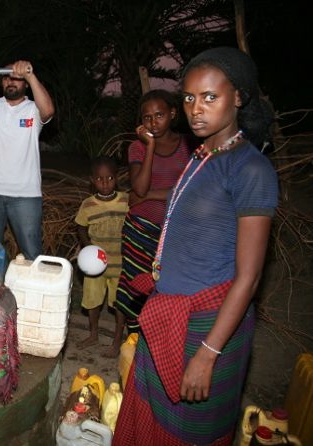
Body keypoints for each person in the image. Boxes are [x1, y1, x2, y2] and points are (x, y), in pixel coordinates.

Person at [113, 47, 279, 445]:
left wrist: (207, 354)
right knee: (150, 420)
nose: (196, 109)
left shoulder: (250, 169)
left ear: (237, 96)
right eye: (188, 98)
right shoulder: (201, 155)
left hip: (206, 324)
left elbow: (250, 276)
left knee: (189, 431)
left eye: (210, 97)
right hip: (169, 316)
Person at [114, 89, 193, 333]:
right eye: (147, 117)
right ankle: (134, 339)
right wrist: (149, 147)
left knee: (167, 285)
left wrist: (148, 195)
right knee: (134, 284)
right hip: (140, 227)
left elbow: (188, 190)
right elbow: (138, 185)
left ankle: (159, 336)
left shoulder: (189, 146)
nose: (153, 121)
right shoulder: (137, 148)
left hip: (175, 231)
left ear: (172, 114)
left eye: (159, 115)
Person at [0, 60, 55, 260]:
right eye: (6, 77)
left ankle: (33, 290)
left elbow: (49, 111)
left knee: (32, 253)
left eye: (17, 78)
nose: (11, 81)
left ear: (25, 84)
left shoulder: (32, 109)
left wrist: (29, 74)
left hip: (26, 195)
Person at [74, 156, 129, 357]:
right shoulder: (88, 204)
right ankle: (93, 333)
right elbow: (80, 226)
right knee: (92, 300)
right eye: (99, 179)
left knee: (120, 303)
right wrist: (87, 247)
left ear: (116, 178)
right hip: (95, 265)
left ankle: (116, 340)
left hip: (120, 264)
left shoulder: (125, 201)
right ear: (92, 180)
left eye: (109, 178)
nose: (105, 183)